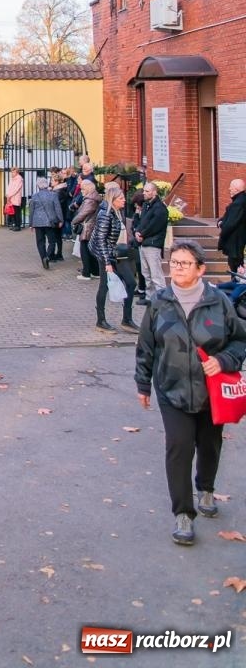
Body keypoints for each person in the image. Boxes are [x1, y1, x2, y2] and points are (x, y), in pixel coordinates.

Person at [135, 240, 246, 546]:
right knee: (179, 447)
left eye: (185, 264)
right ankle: (184, 513)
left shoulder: (218, 302)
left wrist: (223, 361)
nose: (178, 269)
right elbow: (146, 346)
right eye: (175, 263)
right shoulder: (159, 302)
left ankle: (206, 488)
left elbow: (239, 341)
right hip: (172, 390)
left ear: (201, 269)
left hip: (212, 392)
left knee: (209, 444)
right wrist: (143, 383)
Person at [89, 183, 137, 333]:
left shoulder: (118, 212)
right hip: (105, 254)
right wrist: (107, 262)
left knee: (130, 282)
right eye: (121, 198)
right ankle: (100, 321)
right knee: (104, 286)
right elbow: (101, 240)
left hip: (118, 253)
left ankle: (127, 319)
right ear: (113, 199)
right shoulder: (105, 214)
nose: (124, 200)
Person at [133, 181, 168, 299]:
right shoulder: (147, 205)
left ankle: (161, 299)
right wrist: (137, 231)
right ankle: (150, 298)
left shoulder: (160, 208)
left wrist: (142, 234)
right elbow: (143, 222)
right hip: (144, 243)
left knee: (156, 275)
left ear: (154, 192)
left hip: (153, 244)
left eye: (147, 191)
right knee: (146, 273)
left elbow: (155, 225)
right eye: (144, 191)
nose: (144, 193)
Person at [29, 178, 63, 270]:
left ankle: (43, 258)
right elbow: (58, 209)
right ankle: (47, 257)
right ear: (47, 185)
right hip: (50, 221)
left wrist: (31, 223)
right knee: (52, 241)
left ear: (38, 186)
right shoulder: (53, 195)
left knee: (40, 242)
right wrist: (60, 220)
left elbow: (31, 210)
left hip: (38, 222)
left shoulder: (35, 196)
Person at [71, 178, 101, 280]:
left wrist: (74, 221)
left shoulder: (90, 200)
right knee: (90, 250)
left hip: (88, 227)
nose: (81, 191)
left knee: (85, 250)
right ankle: (95, 271)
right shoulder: (93, 198)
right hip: (91, 226)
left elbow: (83, 213)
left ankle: (86, 273)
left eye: (83, 189)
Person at [217, 178, 246, 279]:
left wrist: (222, 226)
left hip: (236, 244)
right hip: (238, 243)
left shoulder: (238, 203)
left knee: (236, 271)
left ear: (237, 189)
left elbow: (230, 224)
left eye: (231, 187)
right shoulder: (241, 200)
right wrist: (222, 221)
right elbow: (229, 217)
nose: (229, 189)